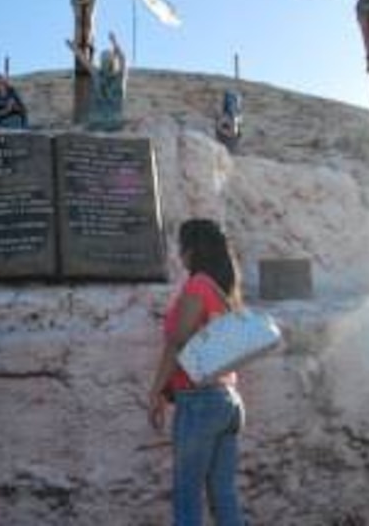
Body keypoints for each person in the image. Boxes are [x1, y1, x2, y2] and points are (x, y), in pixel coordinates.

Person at [148, 219, 247, 526]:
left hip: (200, 402)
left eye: (181, 247)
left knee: (187, 496)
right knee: (223, 495)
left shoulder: (198, 285)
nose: (179, 254)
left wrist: (156, 391)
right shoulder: (222, 292)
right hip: (227, 400)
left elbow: (178, 341)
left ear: (192, 250)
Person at [66, 31, 127, 130]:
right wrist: (75, 49)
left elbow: (123, 59)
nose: (104, 63)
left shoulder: (119, 77)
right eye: (103, 60)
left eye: (107, 60)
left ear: (112, 63)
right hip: (97, 118)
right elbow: (85, 61)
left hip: (114, 118)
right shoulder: (98, 74)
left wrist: (115, 42)